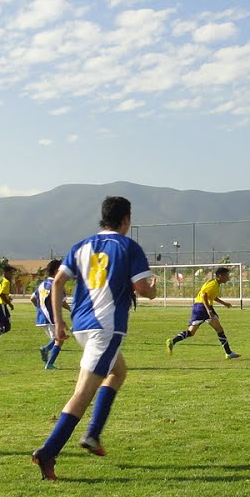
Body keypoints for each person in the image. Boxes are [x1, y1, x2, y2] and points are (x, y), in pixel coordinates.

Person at [31, 196, 157, 481]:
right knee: (82, 393)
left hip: (82, 326)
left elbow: (59, 282)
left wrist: (60, 320)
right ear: (126, 220)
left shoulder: (81, 246)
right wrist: (152, 291)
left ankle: (93, 434)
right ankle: (48, 450)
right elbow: (140, 286)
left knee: (118, 372)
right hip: (106, 328)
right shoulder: (128, 246)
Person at [167, 266, 240, 358]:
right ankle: (228, 353)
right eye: (227, 276)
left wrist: (224, 303)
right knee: (219, 329)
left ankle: (172, 341)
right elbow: (204, 295)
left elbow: (212, 296)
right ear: (220, 276)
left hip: (197, 307)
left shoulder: (214, 284)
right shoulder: (213, 284)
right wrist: (208, 310)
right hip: (203, 307)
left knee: (191, 332)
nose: (228, 278)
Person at [34, 259, 61, 369]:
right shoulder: (56, 284)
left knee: (59, 338)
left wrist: (40, 308)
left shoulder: (42, 284)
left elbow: (32, 298)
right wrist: (71, 309)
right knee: (59, 339)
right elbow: (62, 302)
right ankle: (49, 362)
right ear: (56, 271)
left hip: (41, 318)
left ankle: (47, 352)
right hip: (51, 317)